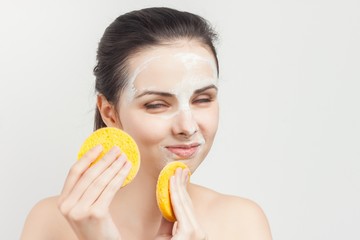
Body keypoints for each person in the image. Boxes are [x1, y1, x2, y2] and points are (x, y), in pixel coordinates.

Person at [20, 7, 272, 240]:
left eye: (203, 99)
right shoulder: (50, 222)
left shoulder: (241, 223)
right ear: (110, 113)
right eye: (156, 104)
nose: (187, 126)